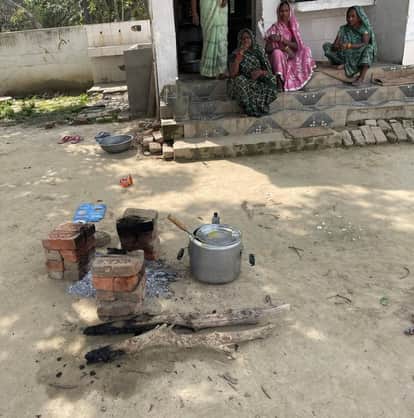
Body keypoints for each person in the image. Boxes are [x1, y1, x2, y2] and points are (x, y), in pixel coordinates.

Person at [264, 1, 315, 92]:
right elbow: (267, 49)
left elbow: (297, 46)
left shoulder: (293, 25)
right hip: (280, 55)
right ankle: (279, 81)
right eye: (281, 11)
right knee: (277, 53)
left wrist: (282, 39)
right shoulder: (274, 27)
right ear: (278, 12)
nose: (284, 13)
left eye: (286, 11)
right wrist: (277, 46)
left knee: (306, 50)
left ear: (289, 12)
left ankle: (303, 76)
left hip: (291, 54)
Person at [229, 29, 278, 117]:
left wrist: (260, 72)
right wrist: (239, 57)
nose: (245, 40)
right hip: (245, 81)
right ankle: (248, 108)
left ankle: (260, 105)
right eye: (243, 38)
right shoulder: (235, 54)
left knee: (272, 79)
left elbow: (268, 70)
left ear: (252, 39)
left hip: (258, 79)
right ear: (240, 41)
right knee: (239, 80)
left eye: (248, 38)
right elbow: (233, 74)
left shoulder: (258, 51)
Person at [323, 6, 377, 85]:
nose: (350, 19)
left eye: (353, 16)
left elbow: (365, 43)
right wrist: (337, 46)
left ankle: (361, 78)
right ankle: (345, 64)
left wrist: (349, 46)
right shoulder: (343, 28)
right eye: (348, 16)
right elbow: (335, 44)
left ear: (359, 17)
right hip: (345, 53)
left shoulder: (365, 29)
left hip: (358, 53)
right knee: (326, 46)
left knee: (369, 48)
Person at [191, 0, 228, 78]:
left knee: (222, 37)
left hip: (220, 6)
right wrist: (194, 13)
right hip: (207, 7)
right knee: (209, 35)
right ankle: (209, 72)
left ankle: (221, 70)